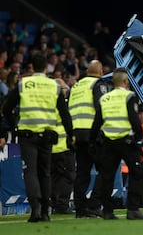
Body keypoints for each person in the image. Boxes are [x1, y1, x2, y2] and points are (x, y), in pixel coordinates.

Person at [0, 53, 73, 222]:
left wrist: (14, 125)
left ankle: (36, 211)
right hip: (47, 136)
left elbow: (6, 109)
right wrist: (71, 134)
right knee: (45, 173)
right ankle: (46, 213)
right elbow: (64, 114)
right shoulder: (54, 86)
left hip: (28, 135)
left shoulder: (23, 84)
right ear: (45, 67)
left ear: (31, 66)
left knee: (30, 172)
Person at [90, 67, 143, 220]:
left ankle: (108, 211)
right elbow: (134, 119)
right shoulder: (129, 96)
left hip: (108, 142)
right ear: (125, 81)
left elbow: (97, 123)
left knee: (107, 176)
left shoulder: (104, 98)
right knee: (137, 172)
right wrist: (141, 139)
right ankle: (133, 209)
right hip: (126, 141)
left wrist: (93, 142)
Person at [68, 59, 110, 218]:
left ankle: (80, 209)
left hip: (77, 134)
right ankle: (93, 205)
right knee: (106, 169)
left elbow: (68, 110)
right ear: (101, 73)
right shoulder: (99, 84)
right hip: (93, 133)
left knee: (82, 173)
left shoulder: (76, 86)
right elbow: (102, 108)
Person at [50, 78, 75, 214]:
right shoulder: (65, 104)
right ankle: (62, 205)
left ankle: (54, 204)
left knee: (53, 177)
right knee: (67, 177)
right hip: (63, 146)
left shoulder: (46, 106)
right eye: (65, 89)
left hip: (50, 148)